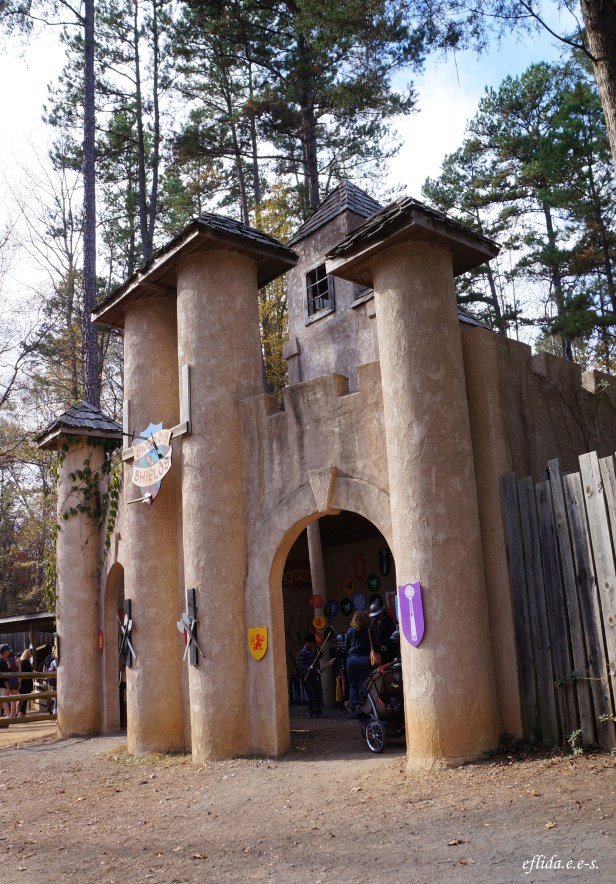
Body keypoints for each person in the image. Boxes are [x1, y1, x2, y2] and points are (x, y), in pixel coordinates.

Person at [344, 611, 371, 717]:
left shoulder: (350, 631)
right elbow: (376, 644)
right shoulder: (369, 631)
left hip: (351, 660)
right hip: (365, 659)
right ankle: (363, 710)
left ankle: (352, 711)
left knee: (353, 686)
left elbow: (346, 647)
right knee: (363, 686)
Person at [296, 633, 325, 719]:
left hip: (312, 675)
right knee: (315, 693)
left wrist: (316, 671)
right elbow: (300, 664)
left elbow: (313, 665)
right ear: (306, 643)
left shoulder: (310, 652)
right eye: (311, 644)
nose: (313, 645)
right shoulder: (303, 652)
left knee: (312, 694)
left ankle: (311, 712)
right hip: (308, 676)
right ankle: (316, 712)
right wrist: (306, 668)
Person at [18, 648, 34, 717]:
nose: (31, 655)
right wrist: (40, 674)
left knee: (22, 698)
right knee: (25, 698)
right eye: (30, 654)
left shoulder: (21, 661)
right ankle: (21, 713)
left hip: (22, 682)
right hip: (26, 683)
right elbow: (31, 671)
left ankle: (21, 713)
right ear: (28, 654)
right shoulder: (26, 662)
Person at [7, 648, 20, 718]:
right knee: (14, 700)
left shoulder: (7, 661)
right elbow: (19, 670)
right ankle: (12, 715)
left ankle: (8, 714)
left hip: (8, 681)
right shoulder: (16, 661)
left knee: (5, 698)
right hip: (15, 681)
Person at [0, 644, 12, 718]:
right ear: (4, 652)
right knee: (2, 701)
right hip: (1, 685)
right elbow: (4, 677)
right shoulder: (2, 661)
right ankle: (8, 716)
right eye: (8, 651)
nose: (9, 652)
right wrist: (7, 687)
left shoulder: (3, 661)